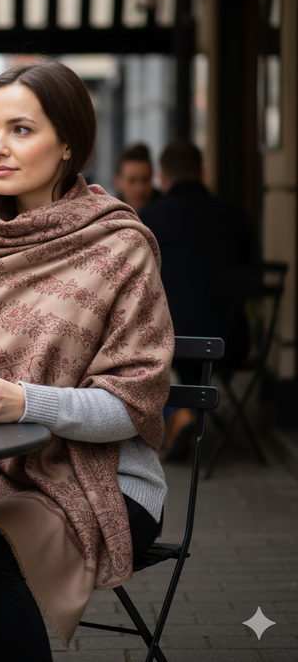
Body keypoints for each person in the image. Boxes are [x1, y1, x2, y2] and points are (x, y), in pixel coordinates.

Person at [0, 60, 174, 662]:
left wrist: (25, 401)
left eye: (21, 129)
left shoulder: (118, 246)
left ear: (68, 142)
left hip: (110, 477)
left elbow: (135, 404)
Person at [140, 140, 252, 459]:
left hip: (172, 340)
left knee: (152, 343)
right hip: (228, 340)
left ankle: (178, 414)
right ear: (203, 173)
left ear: (162, 178)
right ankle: (183, 412)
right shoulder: (236, 217)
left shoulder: (150, 216)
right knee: (193, 329)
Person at [113, 143, 161, 214]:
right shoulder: (109, 215)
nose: (140, 189)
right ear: (118, 182)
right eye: (132, 181)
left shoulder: (166, 211)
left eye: (145, 180)